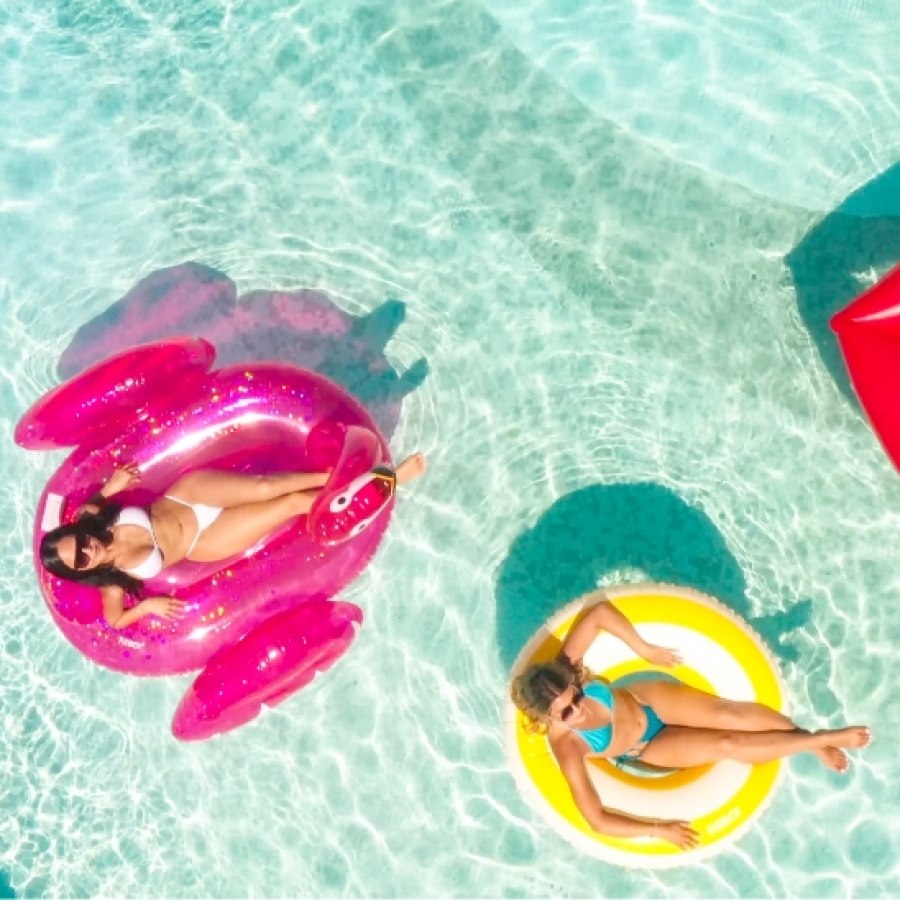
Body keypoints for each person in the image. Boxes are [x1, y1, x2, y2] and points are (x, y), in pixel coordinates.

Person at [510, 590, 871, 850]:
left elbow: (599, 614)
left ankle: (816, 740)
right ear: (548, 717)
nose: (580, 709)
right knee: (728, 743)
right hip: (648, 746)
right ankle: (818, 740)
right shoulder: (567, 746)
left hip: (648, 700)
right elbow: (596, 820)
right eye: (567, 712)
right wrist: (657, 830)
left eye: (576, 696)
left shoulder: (565, 670)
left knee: (728, 713)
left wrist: (644, 649)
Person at [40, 454, 427, 630]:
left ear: (77, 531)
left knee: (268, 487)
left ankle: (343, 475)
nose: (88, 549)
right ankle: (388, 480)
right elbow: (116, 620)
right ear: (82, 571)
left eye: (80, 542)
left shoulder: (94, 517)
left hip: (187, 496)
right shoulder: (111, 584)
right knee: (290, 505)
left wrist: (113, 485)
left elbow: (95, 499)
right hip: (204, 541)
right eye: (81, 559)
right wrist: (149, 606)